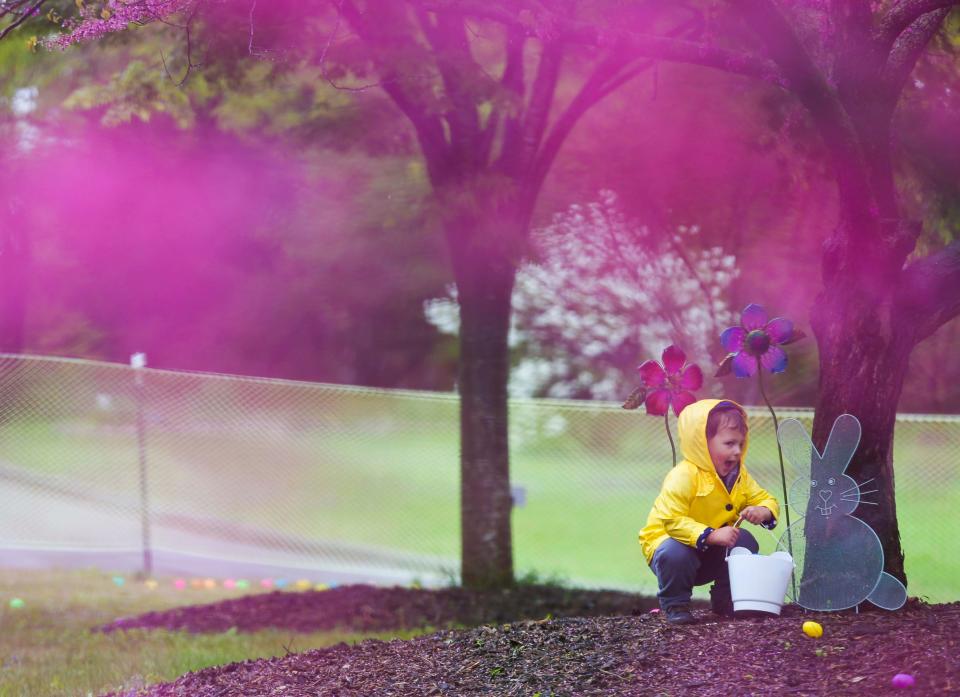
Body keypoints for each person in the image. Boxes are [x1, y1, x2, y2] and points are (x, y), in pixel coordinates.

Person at [639, 399, 779, 624]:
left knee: (744, 540)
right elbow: (672, 520)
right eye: (729, 443)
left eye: (741, 444)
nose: (737, 452)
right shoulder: (684, 476)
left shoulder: (738, 476)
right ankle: (676, 605)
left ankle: (727, 599)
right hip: (672, 547)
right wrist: (710, 534)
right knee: (675, 552)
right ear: (702, 443)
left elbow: (764, 497)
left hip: (712, 551)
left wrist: (763, 510)